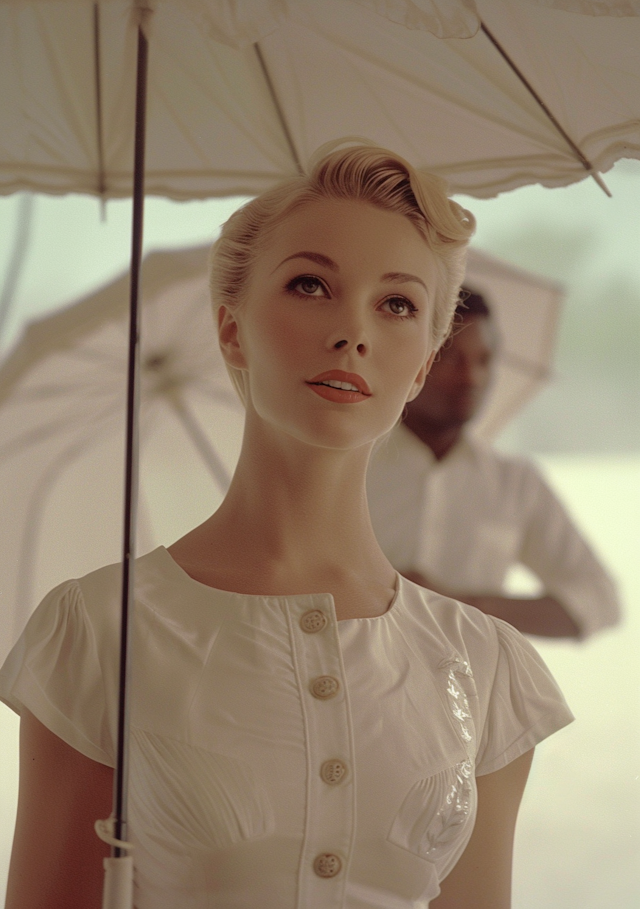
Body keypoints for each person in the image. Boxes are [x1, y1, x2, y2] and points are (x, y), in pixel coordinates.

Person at [0, 145, 574, 909]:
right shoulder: (102, 632)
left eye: (396, 303)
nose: (352, 331)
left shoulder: (488, 668)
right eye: (311, 284)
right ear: (232, 330)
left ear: (421, 365)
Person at [367, 290, 621, 640]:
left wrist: (463, 604)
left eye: (484, 360)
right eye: (450, 356)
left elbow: (600, 600)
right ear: (415, 360)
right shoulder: (347, 466)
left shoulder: (515, 483)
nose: (470, 377)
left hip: (474, 688)